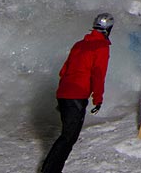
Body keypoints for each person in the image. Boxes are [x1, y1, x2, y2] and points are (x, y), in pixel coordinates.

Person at [40, 12, 113, 173]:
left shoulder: (79, 45)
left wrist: (63, 94)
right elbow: (98, 74)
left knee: (67, 135)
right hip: (77, 96)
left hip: (63, 93)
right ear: (108, 29)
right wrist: (98, 99)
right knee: (68, 137)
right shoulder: (101, 47)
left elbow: (63, 71)